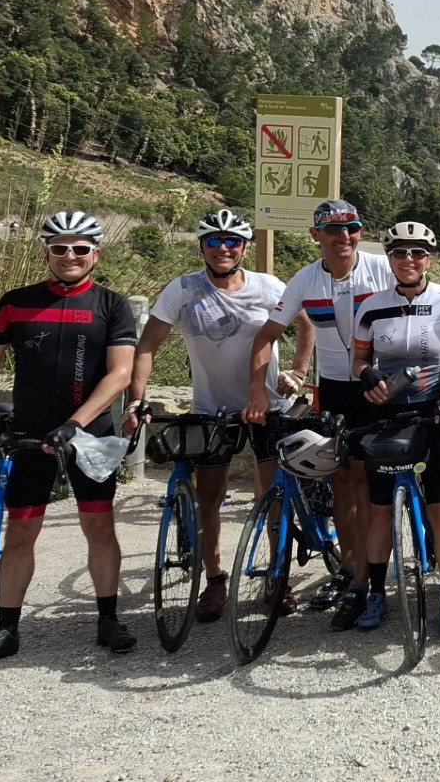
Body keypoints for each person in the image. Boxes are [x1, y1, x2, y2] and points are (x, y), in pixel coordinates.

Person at [0, 211, 140, 664]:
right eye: (59, 248)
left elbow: (120, 374)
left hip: (88, 432)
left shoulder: (112, 305)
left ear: (95, 254)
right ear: (46, 252)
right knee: (21, 530)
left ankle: (108, 619)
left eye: (80, 249)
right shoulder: (17, 302)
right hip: (29, 431)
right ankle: (7, 630)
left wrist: (75, 423)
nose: (70, 256)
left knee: (98, 525)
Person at [131, 209, 312, 623]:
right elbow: (147, 346)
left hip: (268, 406)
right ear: (202, 246)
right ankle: (214, 580)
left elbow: (307, 325)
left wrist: (299, 372)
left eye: (232, 241)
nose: (223, 248)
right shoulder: (183, 289)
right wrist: (136, 400)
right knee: (209, 499)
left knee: (273, 496)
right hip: (211, 409)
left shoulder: (268, 286)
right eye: (213, 240)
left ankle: (275, 576)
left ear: (244, 247)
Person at [246, 198, 396, 629]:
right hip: (334, 388)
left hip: (376, 385)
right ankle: (350, 569)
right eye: (333, 229)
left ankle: (369, 574)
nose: (344, 236)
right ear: (316, 235)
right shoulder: (305, 280)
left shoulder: (381, 269)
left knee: (368, 484)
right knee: (343, 481)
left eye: (352, 227)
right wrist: (257, 391)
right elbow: (266, 336)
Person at [350, 222, 440, 636]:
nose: (409, 260)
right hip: (385, 418)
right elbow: (359, 360)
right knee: (380, 513)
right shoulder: (371, 306)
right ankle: (376, 594)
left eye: (417, 253)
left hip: (434, 416)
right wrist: (366, 374)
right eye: (400, 253)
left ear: (429, 259)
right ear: (389, 258)